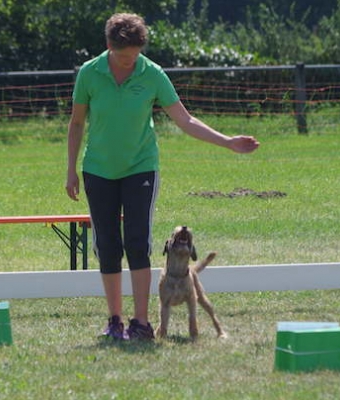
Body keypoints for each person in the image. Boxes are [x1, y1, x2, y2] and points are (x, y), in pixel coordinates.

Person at [65, 13, 259, 340]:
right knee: (108, 246)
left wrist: (227, 142)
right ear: (109, 46)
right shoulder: (89, 73)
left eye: (135, 55)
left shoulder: (152, 74)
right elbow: (77, 124)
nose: (130, 61)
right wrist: (70, 169)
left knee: (138, 243)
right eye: (124, 56)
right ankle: (114, 319)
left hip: (141, 167)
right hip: (98, 170)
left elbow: (185, 120)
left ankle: (141, 322)